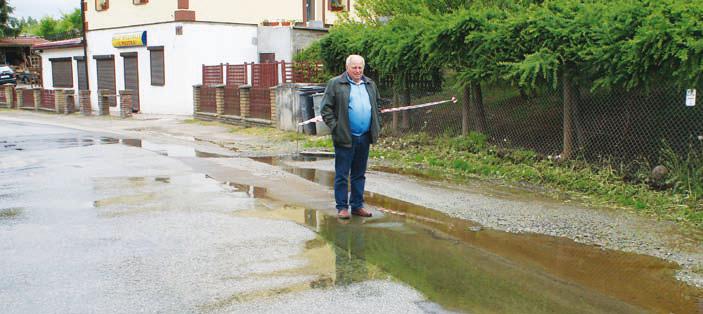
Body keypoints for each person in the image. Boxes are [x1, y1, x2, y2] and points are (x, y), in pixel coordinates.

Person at [321, 54, 382, 219]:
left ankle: (357, 205)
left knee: (359, 174)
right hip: (345, 136)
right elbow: (326, 109)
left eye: (360, 67)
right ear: (347, 67)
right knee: (342, 174)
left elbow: (377, 106)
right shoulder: (336, 83)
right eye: (354, 67)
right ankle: (342, 207)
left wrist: (377, 124)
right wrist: (337, 127)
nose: (357, 70)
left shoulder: (370, 84)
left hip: (364, 136)